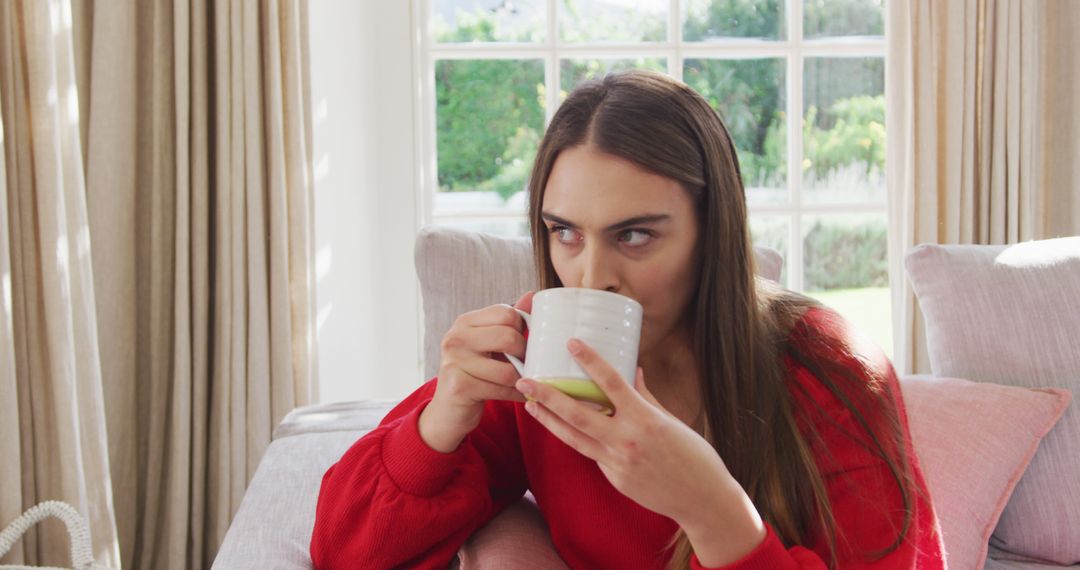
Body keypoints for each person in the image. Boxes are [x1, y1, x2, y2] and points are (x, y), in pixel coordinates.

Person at [310, 70, 945, 569]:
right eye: (565, 232)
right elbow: (343, 554)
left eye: (634, 235)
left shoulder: (827, 368)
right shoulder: (539, 356)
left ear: (711, 232)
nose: (590, 277)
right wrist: (441, 419)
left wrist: (713, 510)